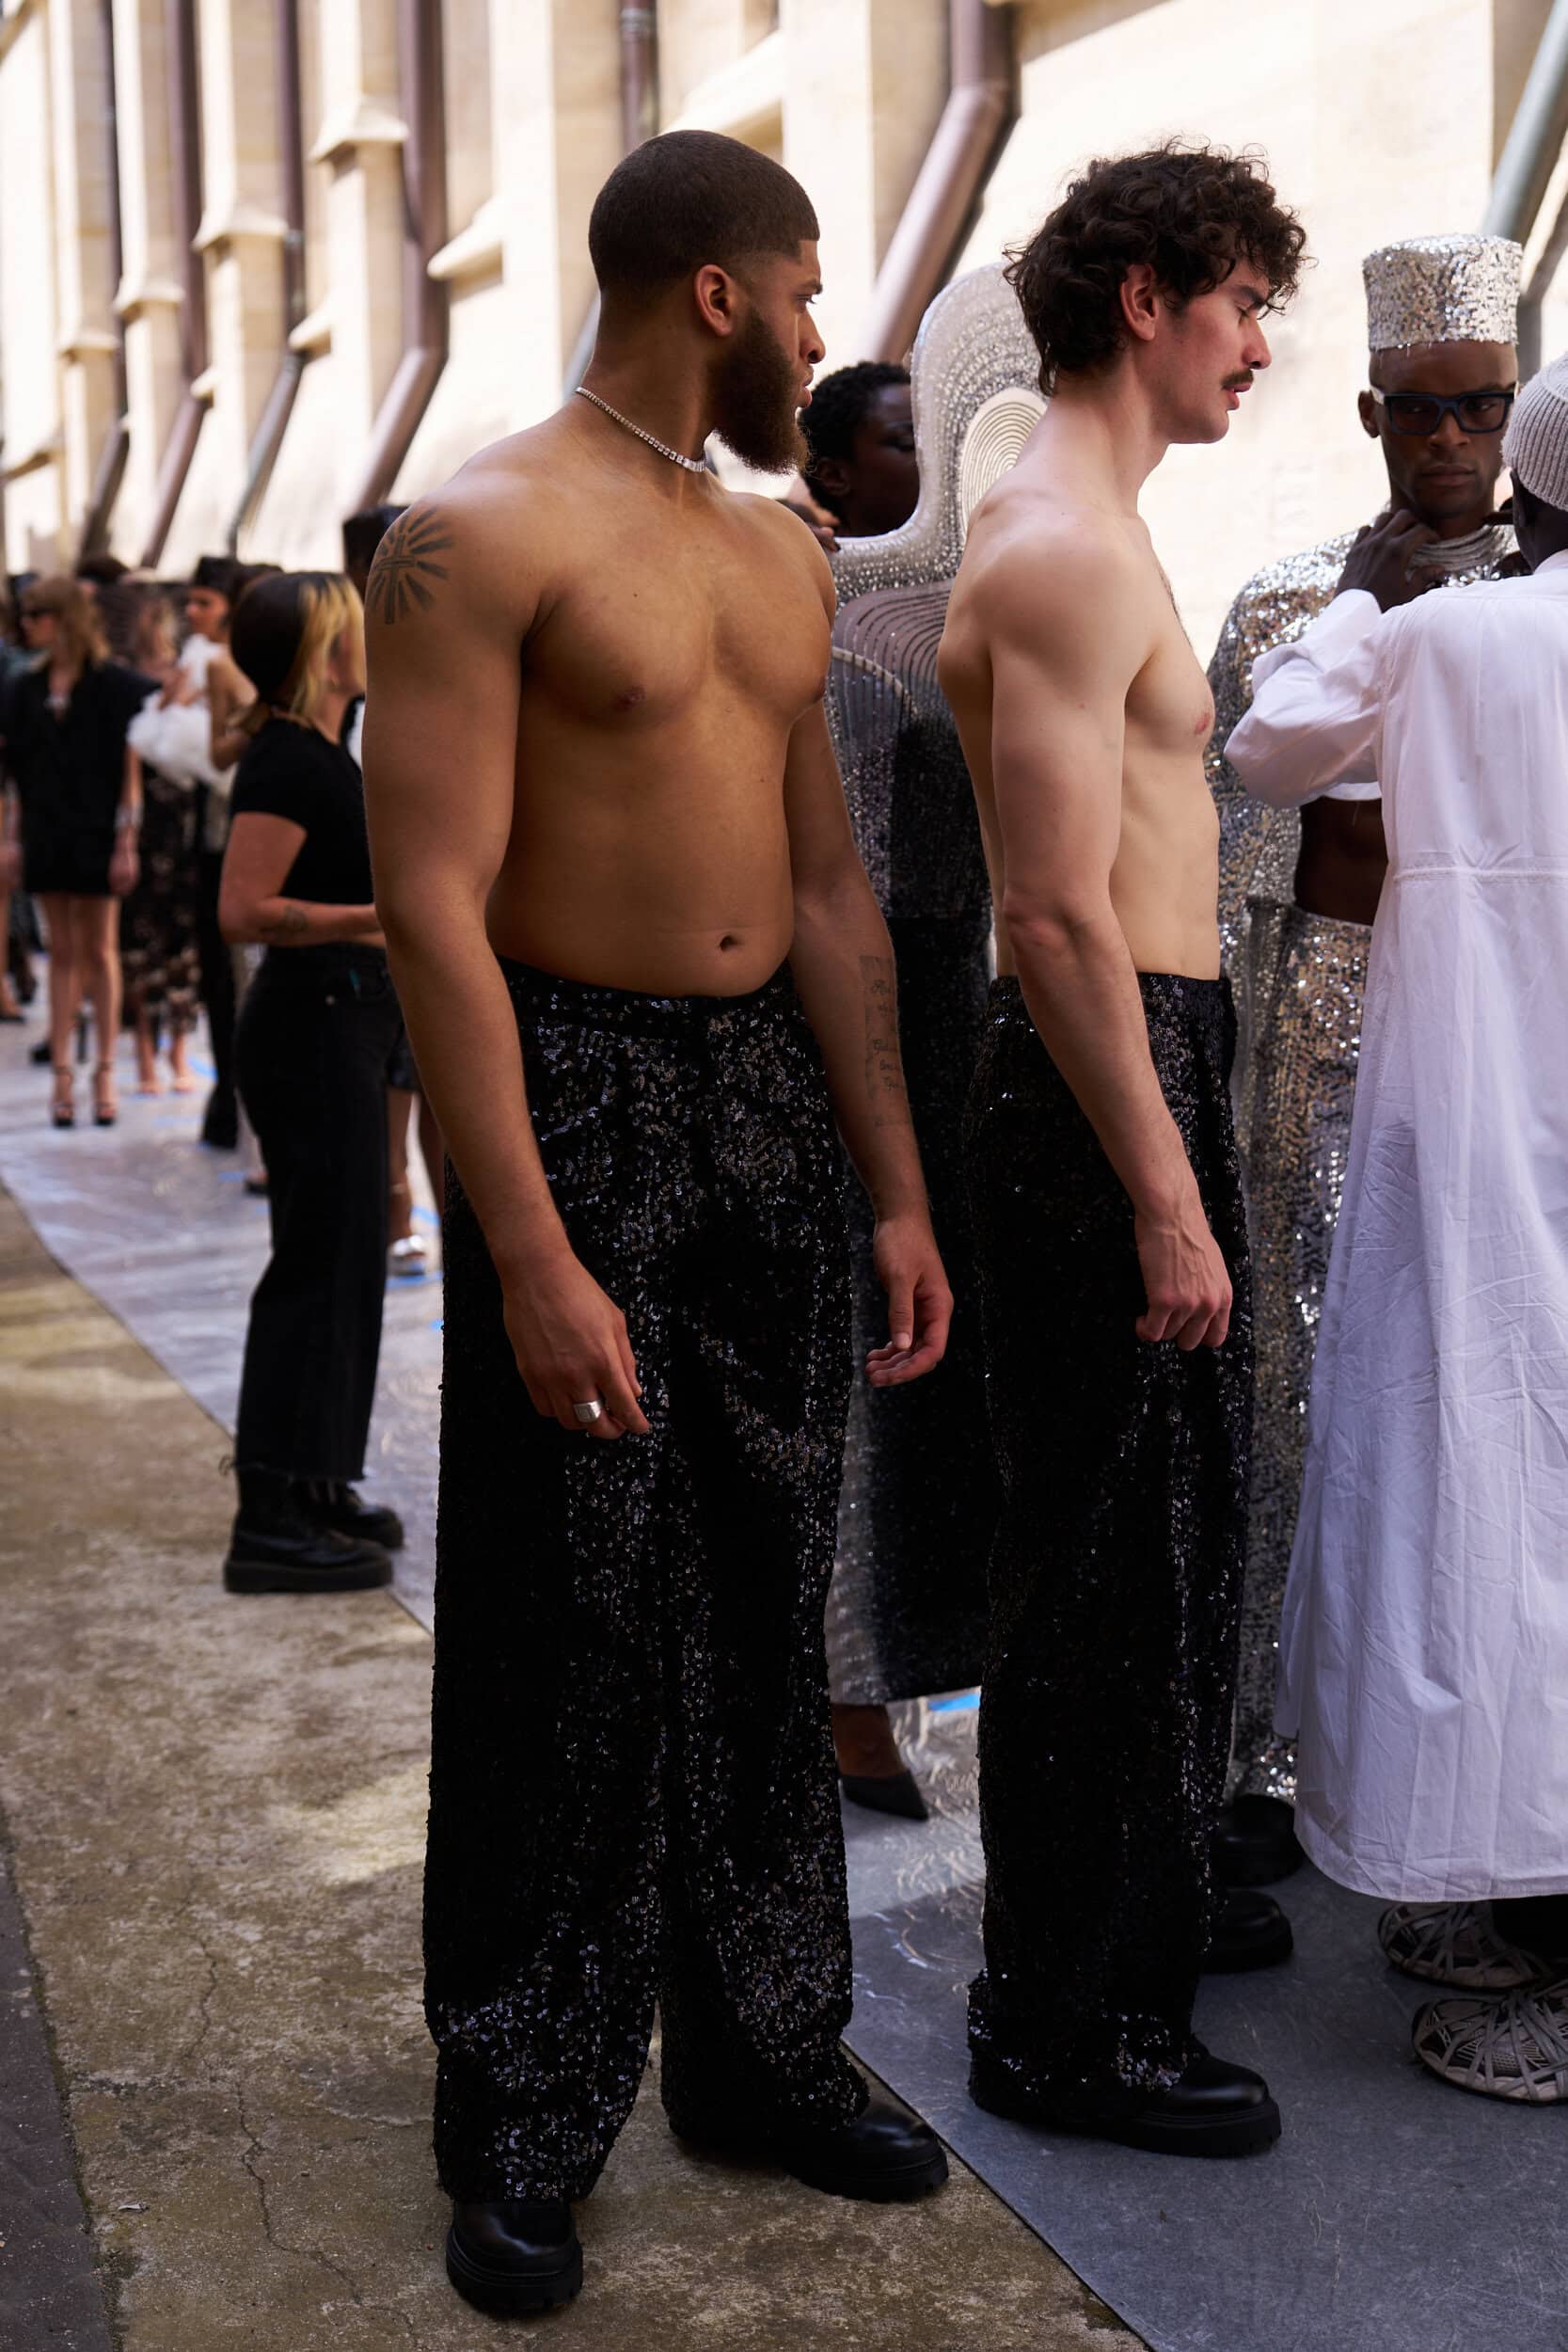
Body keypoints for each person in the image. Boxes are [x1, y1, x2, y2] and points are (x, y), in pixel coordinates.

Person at [362, 127, 953, 2319]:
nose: (821, 332)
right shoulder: (482, 533)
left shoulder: (778, 556)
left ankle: (765, 2051)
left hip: (767, 1116)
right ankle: (521, 2108)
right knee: (563, 1617)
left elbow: (822, 885)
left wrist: (890, 1181)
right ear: (717, 289)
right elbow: (430, 904)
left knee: (765, 1597)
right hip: (579, 1084)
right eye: (803, 294)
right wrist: (517, 1247)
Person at [938, 144, 1307, 2158]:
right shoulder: (1066, 544)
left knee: (1142, 1550)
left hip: (1129, 1064)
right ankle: (1066, 2024)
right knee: (1097, 1574)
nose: (1257, 343)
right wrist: (1165, 1191)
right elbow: (1056, 912)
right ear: (1148, 295)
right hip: (1101, 1080)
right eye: (1242, 300)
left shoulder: (1080, 517)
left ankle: (1119, 1932)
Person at [1225, 350, 1568, 2104]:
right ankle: (1516, 1890)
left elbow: (1269, 744)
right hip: (1527, 1126)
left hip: (1484, 1131)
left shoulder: (1452, 641)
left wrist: (1359, 598)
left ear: (1530, 473)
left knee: (1491, 1510)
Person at [1206, 233, 1522, 1893]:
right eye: (1416, 409)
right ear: (1369, 413)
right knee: (1291, 1385)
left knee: (1464, 1392)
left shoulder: (1545, 598)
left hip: (1495, 1042)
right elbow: (1227, 833)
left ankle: (1459, 1759)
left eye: (1477, 406)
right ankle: (1266, 1745)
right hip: (1317, 1030)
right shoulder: (1281, 594)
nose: (1447, 439)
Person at [800, 356, 997, 1816]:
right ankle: (845, 1693)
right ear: (836, 475)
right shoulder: (829, 622)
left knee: (942, 1364)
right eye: (889, 446)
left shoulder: (974, 593)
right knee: (861, 1354)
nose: (916, 468)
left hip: (963, 1006)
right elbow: (837, 880)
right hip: (853, 1012)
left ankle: (914, 1661)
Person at [217, 572, 405, 1594]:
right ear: (324, 650)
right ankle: (271, 1513)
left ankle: (319, 1478)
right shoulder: (287, 760)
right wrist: (378, 915)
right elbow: (244, 909)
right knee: (315, 1268)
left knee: (348, 1265)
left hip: (344, 1022)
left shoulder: (326, 748)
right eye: (354, 625)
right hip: (310, 1023)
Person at [1, 576, 149, 1126]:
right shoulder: (23, 689)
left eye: (36, 614)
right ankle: (64, 1073)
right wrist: (11, 840)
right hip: (47, 829)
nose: (27, 625)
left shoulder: (115, 686)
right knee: (62, 951)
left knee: (101, 950)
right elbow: (13, 775)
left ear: (63, 619)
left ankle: (105, 1069)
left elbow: (131, 775)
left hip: (97, 831)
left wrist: (127, 841)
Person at [341, 504, 446, 1276]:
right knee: (398, 1078)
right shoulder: (355, 660)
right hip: (385, 903)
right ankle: (398, 1211)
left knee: (437, 1079)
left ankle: (431, 1218)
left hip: (450, 899)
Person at [121, 586, 203, 1094]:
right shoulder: (138, 709)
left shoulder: (190, 700)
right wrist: (126, 842)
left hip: (183, 840)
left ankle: (175, 1054)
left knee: (179, 951)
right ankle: (150, 1056)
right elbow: (130, 784)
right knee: (144, 950)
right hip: (154, 843)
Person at [801, 361, 918, 541]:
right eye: (908, 443)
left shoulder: (971, 546)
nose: (932, 457)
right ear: (835, 476)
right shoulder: (807, 564)